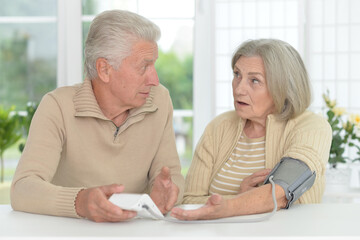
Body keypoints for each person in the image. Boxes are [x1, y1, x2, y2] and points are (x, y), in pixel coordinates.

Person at [11, 10, 184, 222]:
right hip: (69, 233)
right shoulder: (57, 106)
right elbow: (23, 188)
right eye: (144, 66)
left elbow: (171, 174)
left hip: (137, 231)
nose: (154, 79)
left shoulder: (160, 100)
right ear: (104, 69)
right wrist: (80, 202)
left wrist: (168, 191)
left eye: (154, 65)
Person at [171, 39, 332, 221]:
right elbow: (189, 201)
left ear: (283, 87)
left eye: (254, 80)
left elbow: (282, 192)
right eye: (237, 74)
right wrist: (239, 199)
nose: (239, 89)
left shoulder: (311, 126)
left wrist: (234, 204)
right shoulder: (218, 127)